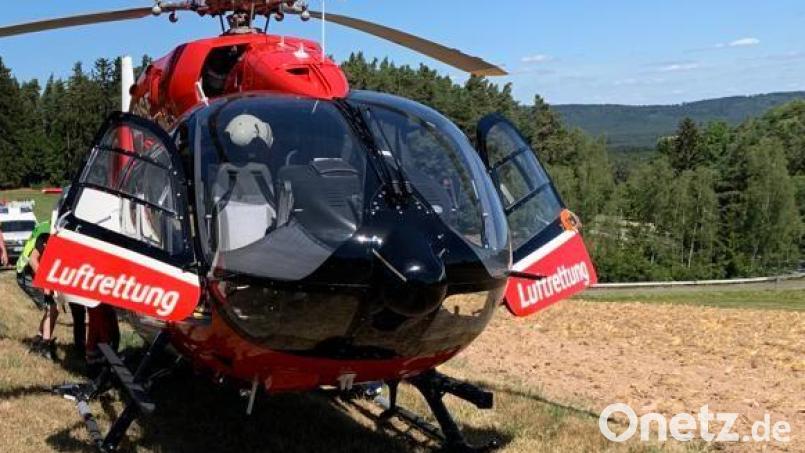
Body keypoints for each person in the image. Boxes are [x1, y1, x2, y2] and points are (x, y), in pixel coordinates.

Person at [27, 232, 58, 360]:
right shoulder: (45, 236)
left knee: (53, 309)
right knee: (52, 309)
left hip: (46, 277)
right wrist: (45, 283)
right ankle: (44, 346)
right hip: (35, 276)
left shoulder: (59, 238)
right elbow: (32, 260)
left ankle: (39, 340)